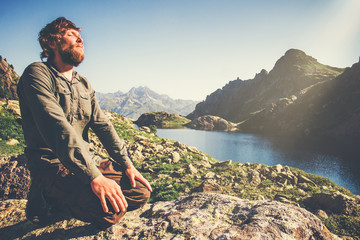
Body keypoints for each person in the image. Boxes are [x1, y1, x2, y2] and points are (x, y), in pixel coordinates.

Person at [17, 17, 152, 228]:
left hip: (88, 161)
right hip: (53, 166)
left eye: (80, 36)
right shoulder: (37, 74)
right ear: (51, 43)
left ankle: (70, 198)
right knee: (109, 213)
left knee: (141, 191)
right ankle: (45, 200)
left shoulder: (83, 83)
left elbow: (103, 125)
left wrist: (127, 164)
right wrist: (94, 177)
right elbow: (57, 127)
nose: (80, 38)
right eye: (71, 34)